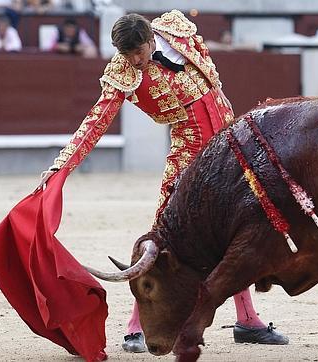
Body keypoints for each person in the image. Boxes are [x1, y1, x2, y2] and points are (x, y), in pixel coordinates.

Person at [39, 10, 289, 353]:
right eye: (127, 56)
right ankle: (135, 326)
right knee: (165, 237)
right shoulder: (122, 72)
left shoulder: (176, 29)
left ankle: (247, 320)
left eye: (138, 53)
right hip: (190, 151)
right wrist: (61, 168)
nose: (135, 61)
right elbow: (95, 122)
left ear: (151, 39)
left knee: (236, 231)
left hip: (232, 141)